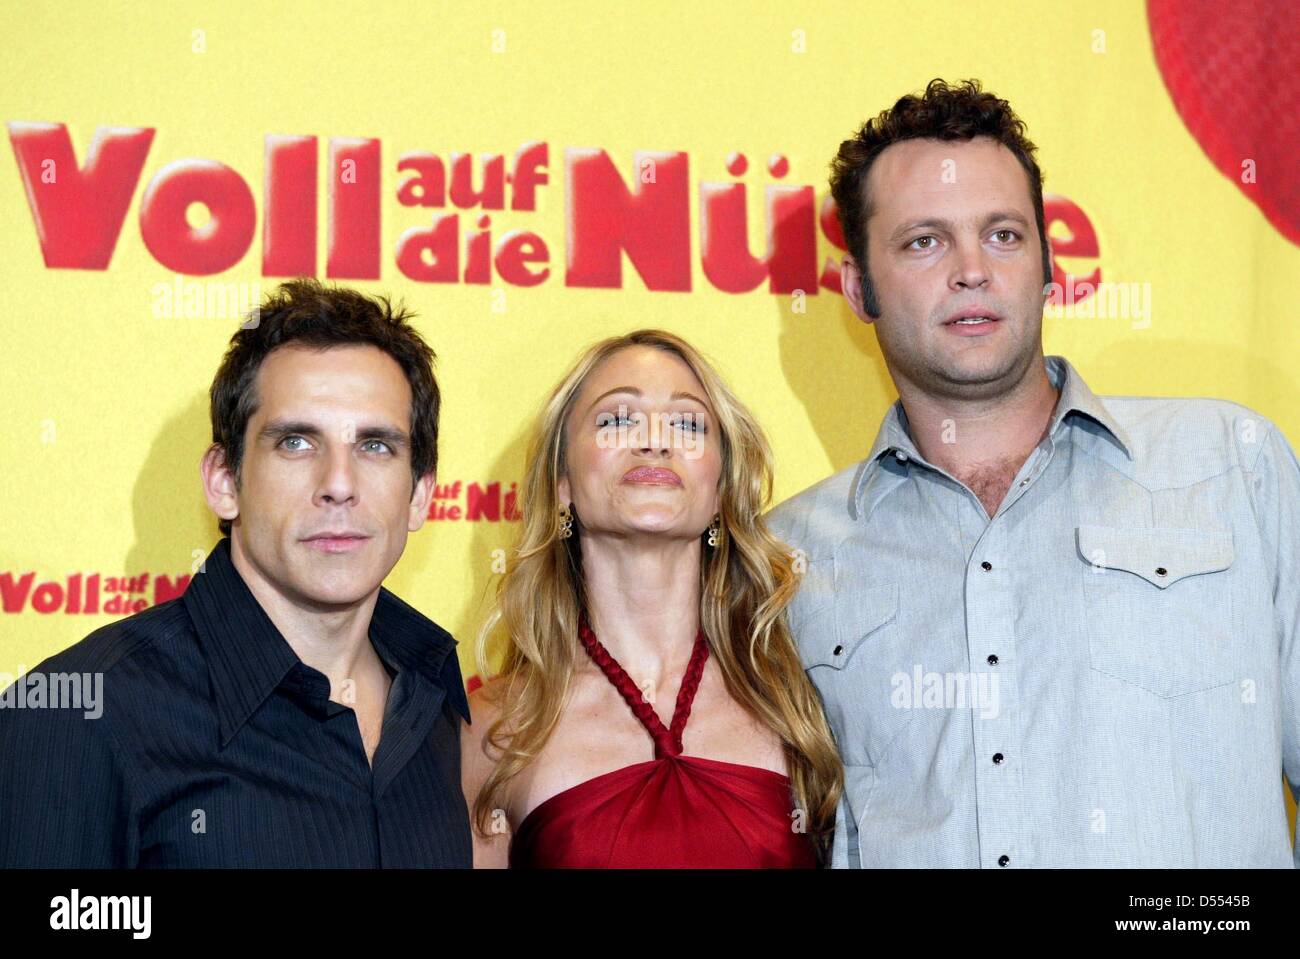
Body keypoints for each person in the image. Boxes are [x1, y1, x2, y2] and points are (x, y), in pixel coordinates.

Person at [766, 78, 1300, 868]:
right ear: (857, 288)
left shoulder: (1232, 464)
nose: (972, 269)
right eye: (925, 241)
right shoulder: (785, 559)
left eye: (1005, 234)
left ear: (1049, 264)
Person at [0, 279, 471, 867]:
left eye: (376, 446)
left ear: (421, 495)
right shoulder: (82, 717)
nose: (340, 484)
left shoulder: (434, 701)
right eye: (297, 442)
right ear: (225, 480)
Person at [460, 330, 841, 867]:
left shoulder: (802, 703)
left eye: (687, 424)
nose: (655, 441)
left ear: (721, 491)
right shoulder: (493, 730)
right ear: (562, 482)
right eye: (617, 419)